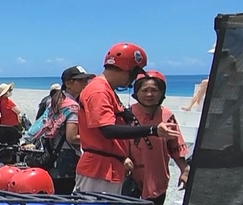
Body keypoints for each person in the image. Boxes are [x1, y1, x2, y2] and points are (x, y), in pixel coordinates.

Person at [75, 43, 179, 194]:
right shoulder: (99, 91)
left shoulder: (106, 90)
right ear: (129, 69)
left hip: (108, 167)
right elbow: (108, 130)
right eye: (136, 74)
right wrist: (153, 130)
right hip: (99, 169)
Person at [125, 71, 189, 205]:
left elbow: (175, 145)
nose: (149, 94)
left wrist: (184, 169)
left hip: (157, 174)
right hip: (131, 175)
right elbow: (115, 141)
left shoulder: (167, 115)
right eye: (145, 90)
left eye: (154, 90)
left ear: (162, 93)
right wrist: (122, 157)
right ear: (137, 92)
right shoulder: (127, 114)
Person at [23, 66, 93, 194]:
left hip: (51, 154)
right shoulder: (72, 106)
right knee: (63, 197)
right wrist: (94, 139)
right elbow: (71, 137)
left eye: (86, 80)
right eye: (81, 80)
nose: (85, 83)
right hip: (66, 160)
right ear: (68, 83)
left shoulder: (56, 101)